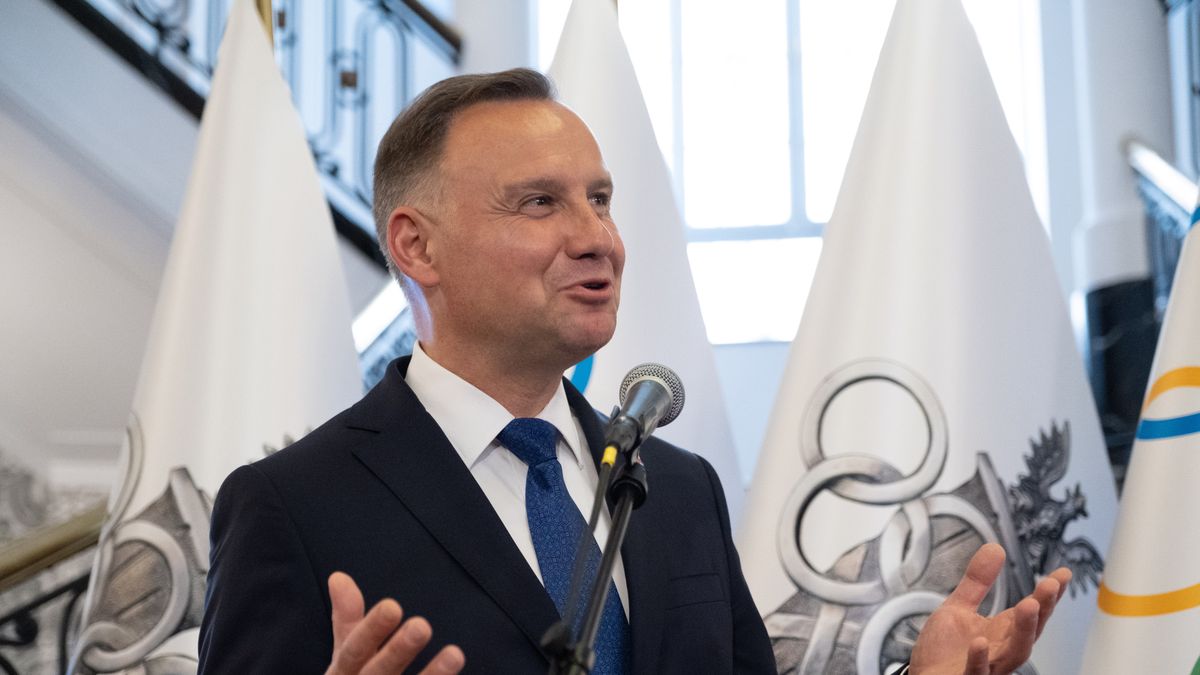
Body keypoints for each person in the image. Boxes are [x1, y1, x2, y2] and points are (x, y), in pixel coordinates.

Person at [197, 68, 1071, 675]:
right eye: (541, 201)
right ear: (417, 246)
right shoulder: (294, 506)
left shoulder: (676, 489)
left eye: (601, 199)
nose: (597, 237)